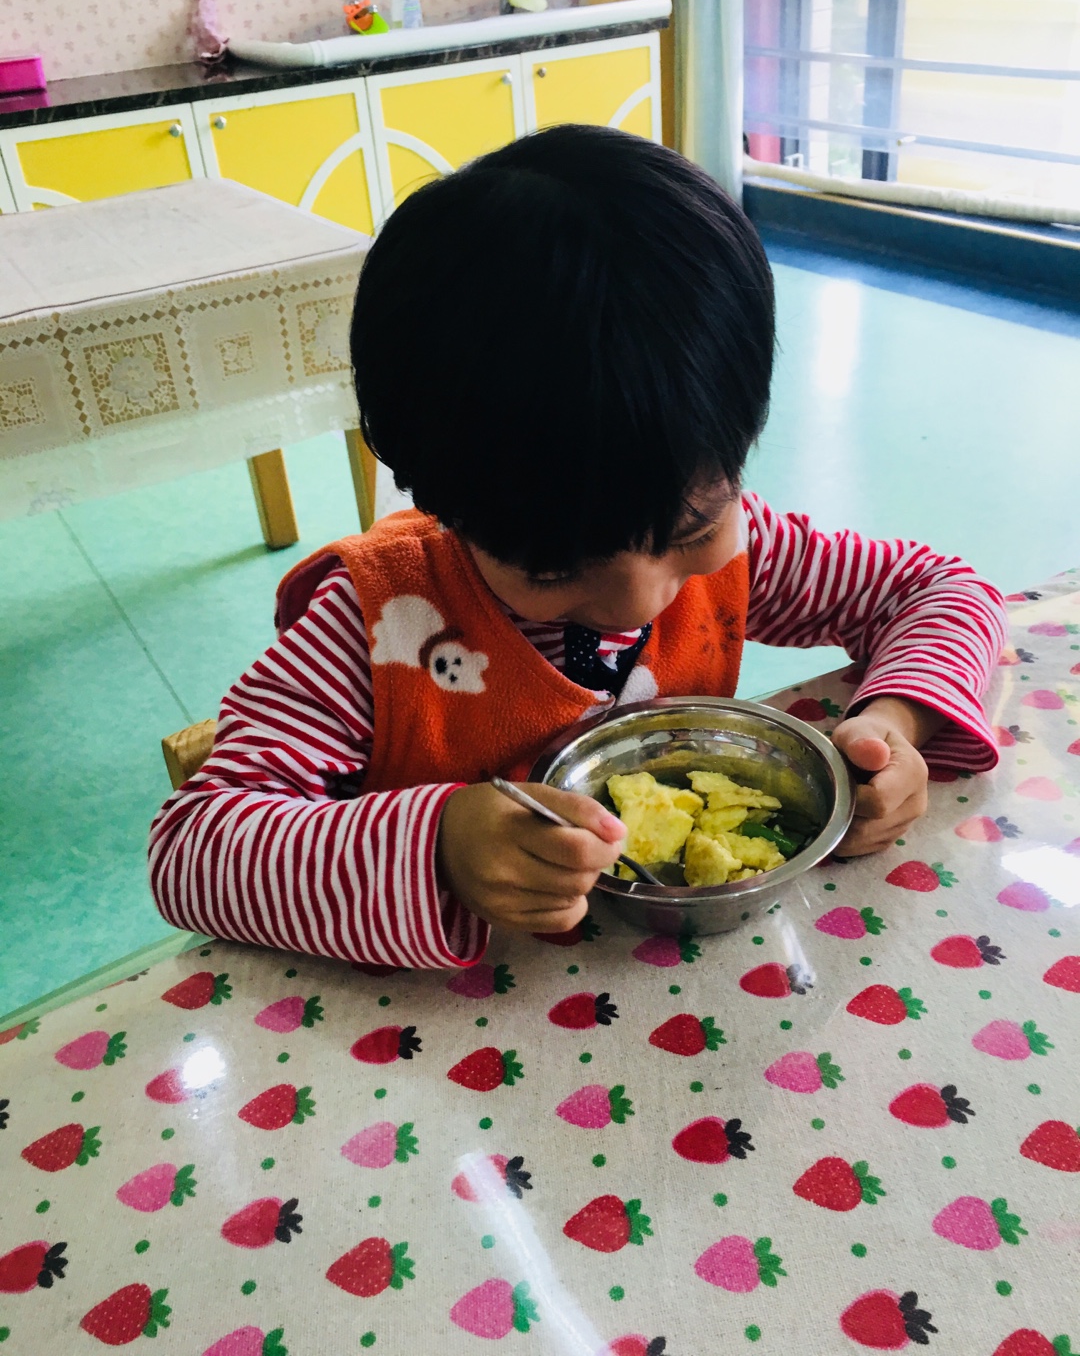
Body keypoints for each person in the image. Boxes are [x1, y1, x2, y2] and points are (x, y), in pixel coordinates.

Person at [149, 125, 1006, 970]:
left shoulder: (739, 546)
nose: (641, 600)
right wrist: (441, 848)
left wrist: (893, 724)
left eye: (691, 534)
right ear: (446, 505)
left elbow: (943, 589)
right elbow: (191, 850)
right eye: (557, 567)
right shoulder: (378, 626)